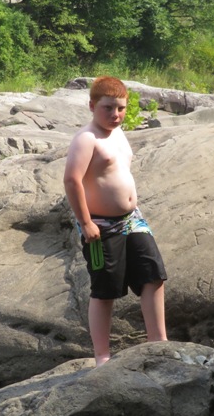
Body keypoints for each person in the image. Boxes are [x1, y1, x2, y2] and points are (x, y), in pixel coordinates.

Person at [63, 76, 167, 366]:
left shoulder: (118, 132)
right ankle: (102, 356)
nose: (115, 114)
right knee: (106, 289)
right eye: (108, 108)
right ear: (92, 105)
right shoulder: (87, 138)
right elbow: (72, 181)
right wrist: (85, 223)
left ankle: (158, 341)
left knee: (153, 275)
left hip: (132, 220)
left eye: (120, 108)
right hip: (100, 225)